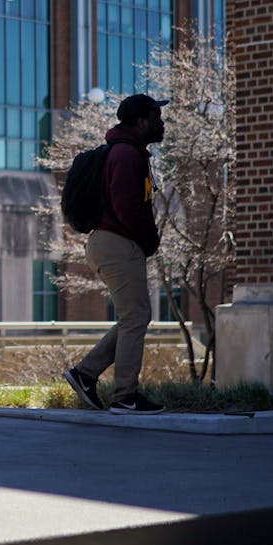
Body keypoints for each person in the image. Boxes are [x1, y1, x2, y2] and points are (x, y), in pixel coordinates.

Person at [63, 93, 169, 414]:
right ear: (140, 122)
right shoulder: (126, 155)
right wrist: (149, 240)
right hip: (117, 243)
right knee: (136, 317)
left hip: (113, 243)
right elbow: (127, 208)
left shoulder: (131, 152)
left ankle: (84, 374)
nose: (161, 123)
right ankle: (125, 396)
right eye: (155, 117)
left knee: (132, 316)